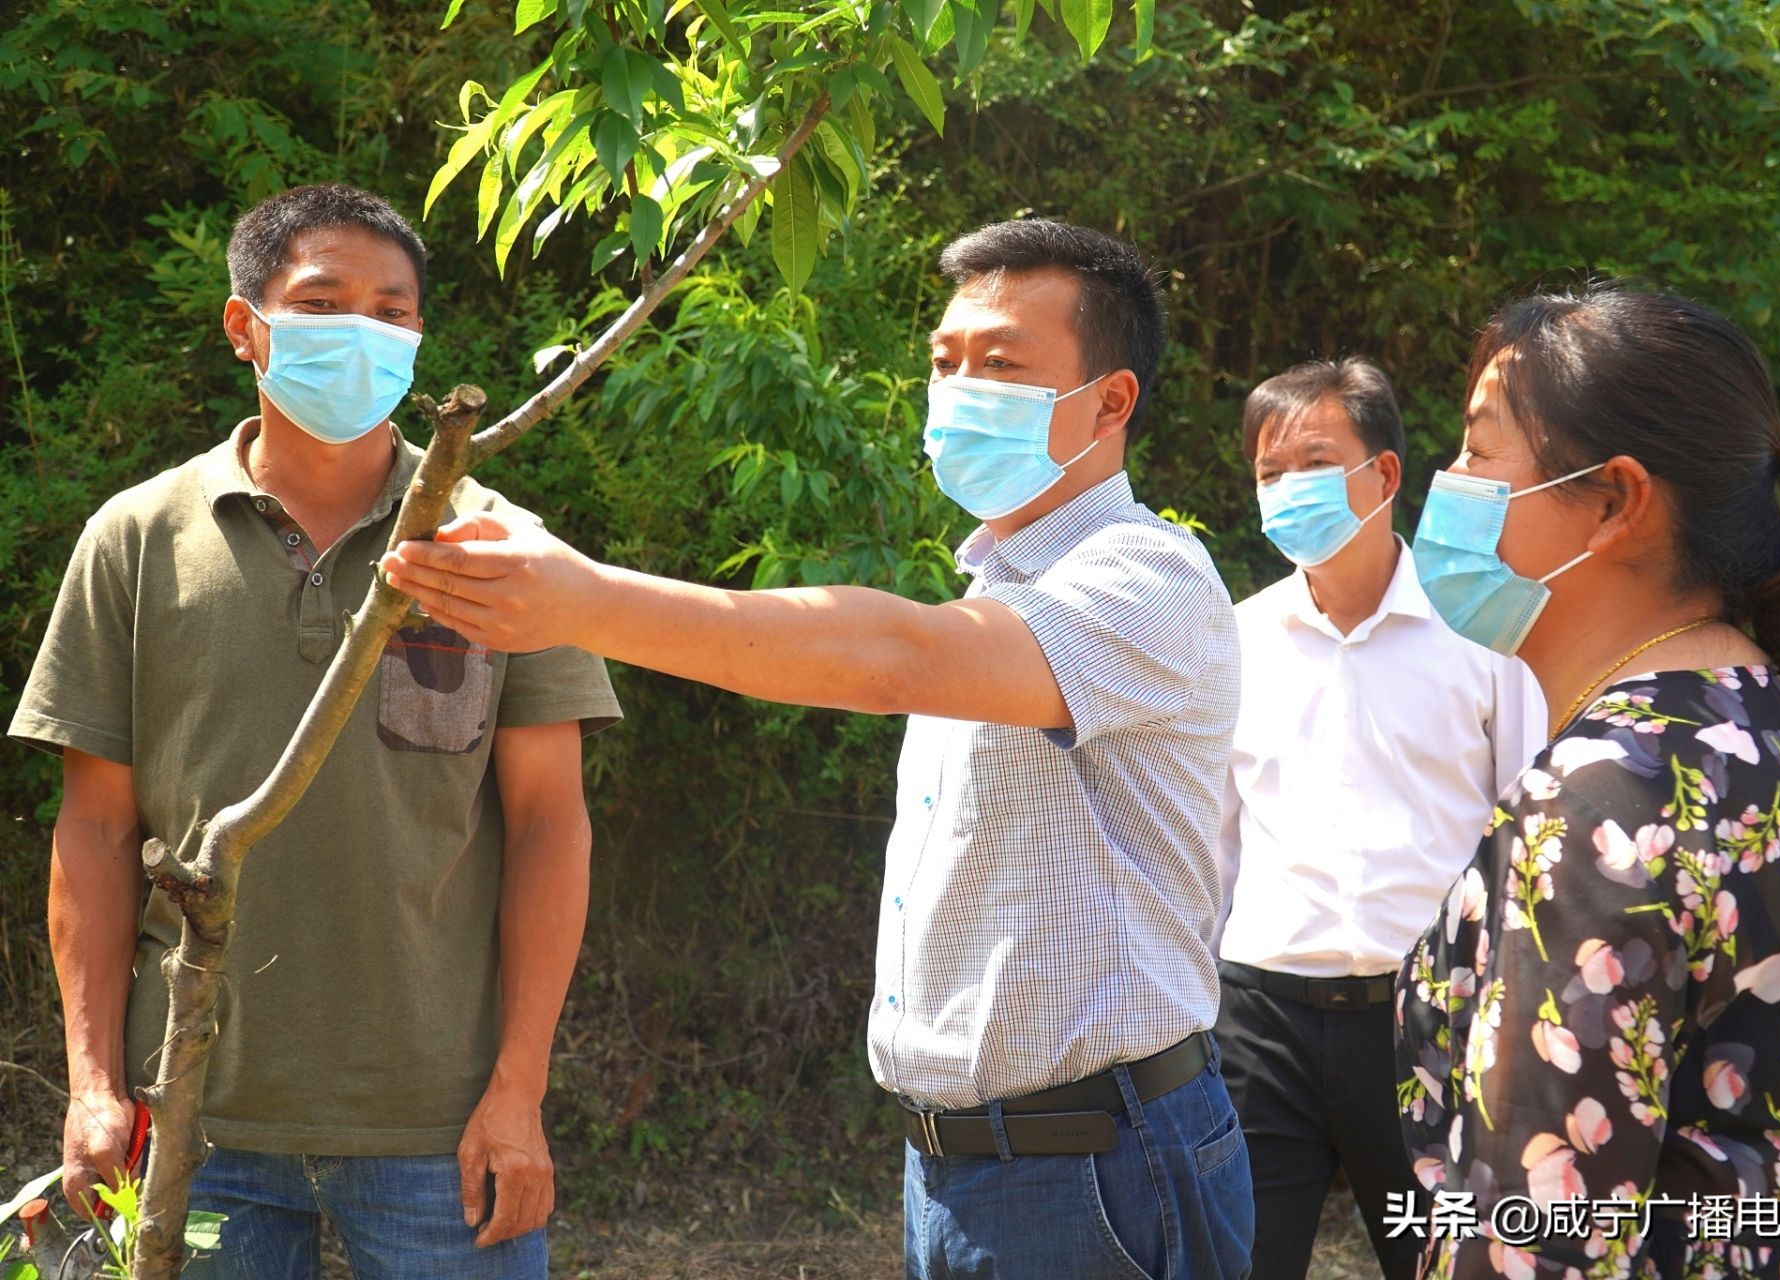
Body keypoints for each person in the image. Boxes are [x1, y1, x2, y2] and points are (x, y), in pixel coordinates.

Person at [379, 218, 1256, 1280]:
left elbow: (889, 657)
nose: (958, 389)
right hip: (966, 1163)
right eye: (945, 361)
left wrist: (587, 599)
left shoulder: (1145, 577)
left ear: (1109, 402)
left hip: (1097, 1164)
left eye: (1000, 365)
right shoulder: (1001, 590)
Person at [9, 184, 622, 1279]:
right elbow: (95, 830)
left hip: (443, 1124)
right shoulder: (135, 541)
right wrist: (96, 1084)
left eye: (392, 313)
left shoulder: (502, 551)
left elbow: (549, 826)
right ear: (245, 327)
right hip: (189, 1113)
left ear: (421, 338)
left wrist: (519, 1090)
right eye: (324, 303)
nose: (361, 333)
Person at [1394, 285, 1780, 1279]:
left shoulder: (1596, 804)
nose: (1448, 481)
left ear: (1614, 501)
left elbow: (1538, 1241)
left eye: (1479, 450)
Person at [1214, 358, 1544, 1279]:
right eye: (1270, 472)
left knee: (1445, 1263)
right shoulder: (1234, 640)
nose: (1288, 489)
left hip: (1429, 1019)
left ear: (1385, 474)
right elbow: (1213, 846)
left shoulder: (1481, 635)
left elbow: (1530, 829)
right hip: (1262, 1022)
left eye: (1314, 464)